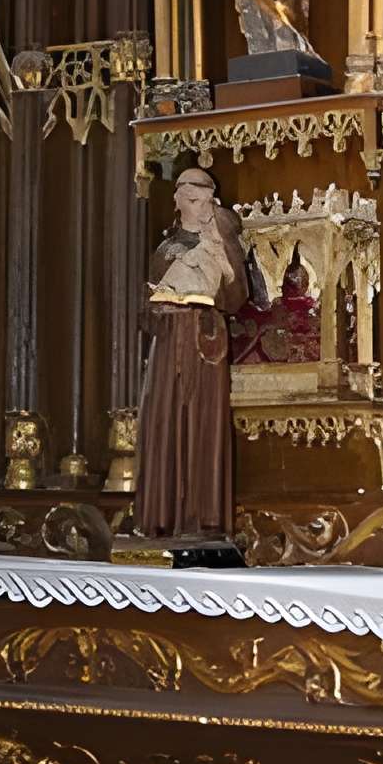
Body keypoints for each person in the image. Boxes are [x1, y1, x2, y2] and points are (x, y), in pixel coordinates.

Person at [135, 167, 250, 538]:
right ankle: (162, 516)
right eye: (199, 201)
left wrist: (223, 251)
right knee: (165, 420)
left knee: (205, 422)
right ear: (182, 200)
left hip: (205, 339)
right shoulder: (166, 247)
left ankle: (206, 516)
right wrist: (155, 304)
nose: (207, 209)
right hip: (169, 341)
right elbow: (145, 308)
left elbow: (236, 297)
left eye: (211, 200)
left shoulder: (222, 242)